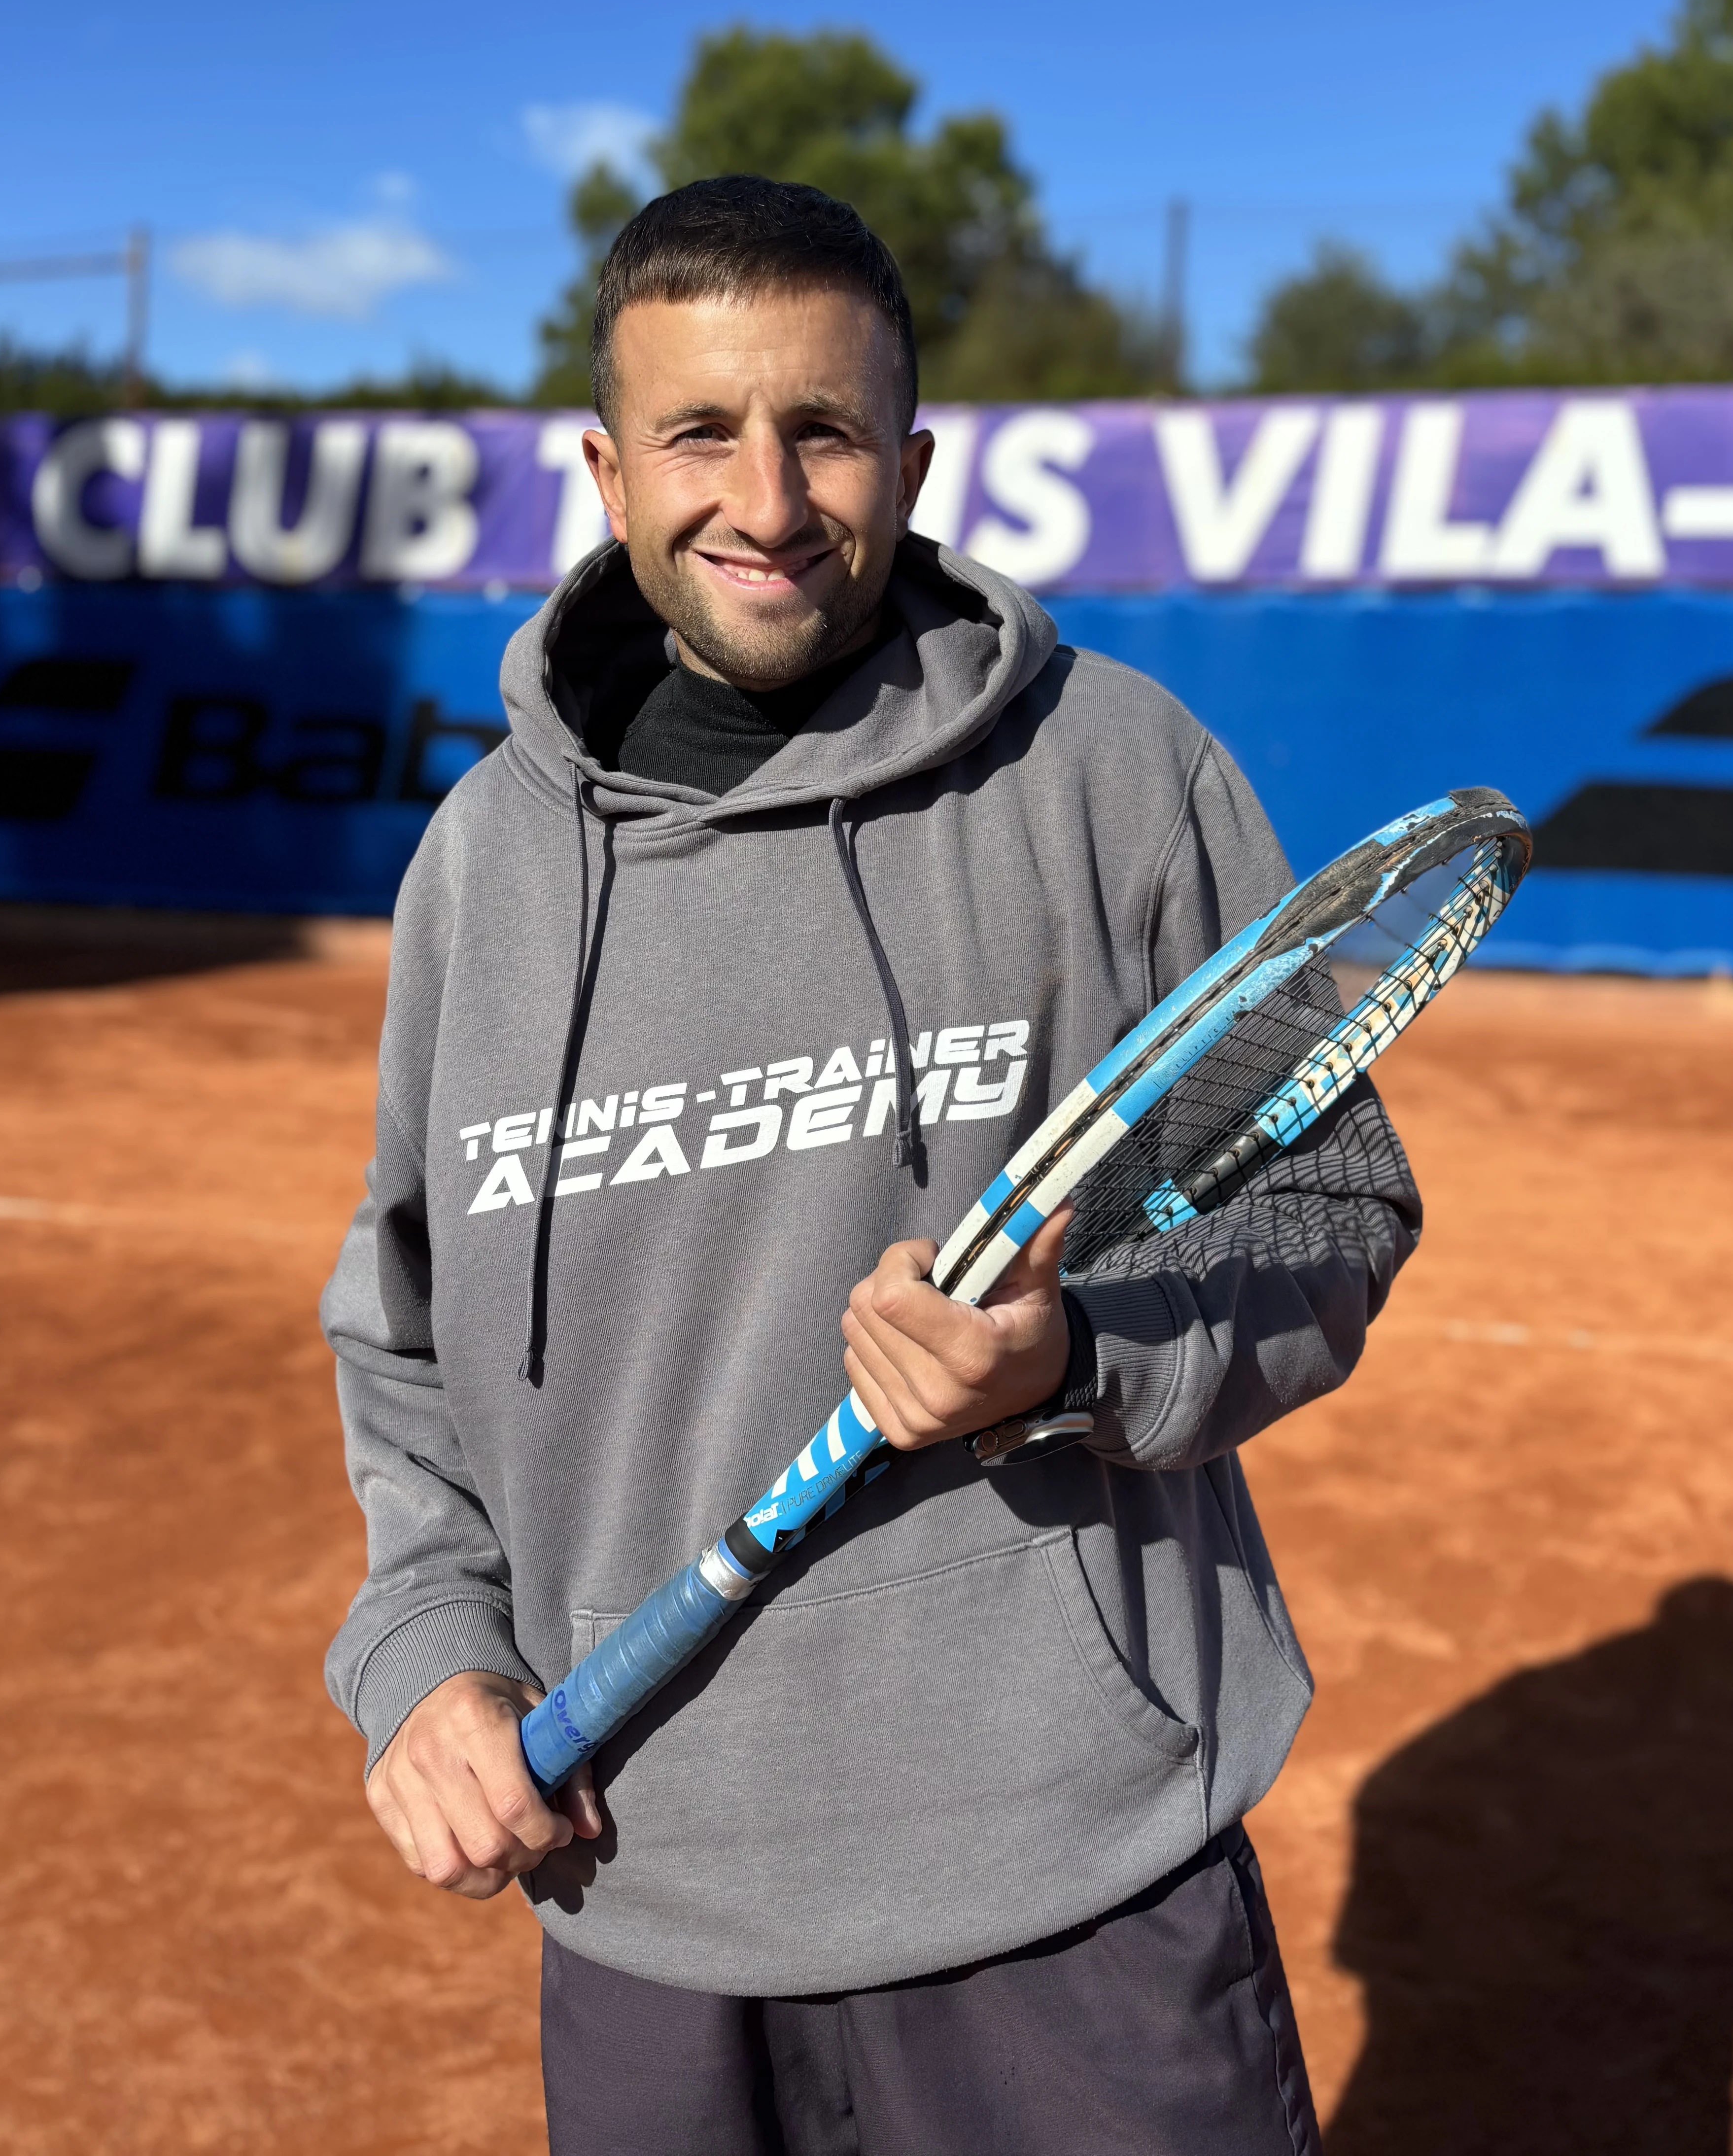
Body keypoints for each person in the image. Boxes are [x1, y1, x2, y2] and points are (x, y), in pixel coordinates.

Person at [322, 174, 1421, 2155]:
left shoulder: (1113, 775)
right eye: (699, 433)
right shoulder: (478, 867)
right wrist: (423, 1658)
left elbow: (1333, 1211)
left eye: (823, 430)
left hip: (1071, 1889)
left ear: (913, 460)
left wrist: (1071, 1358)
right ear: (601, 467)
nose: (766, 497)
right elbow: (403, 1336)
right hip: (644, 1882)